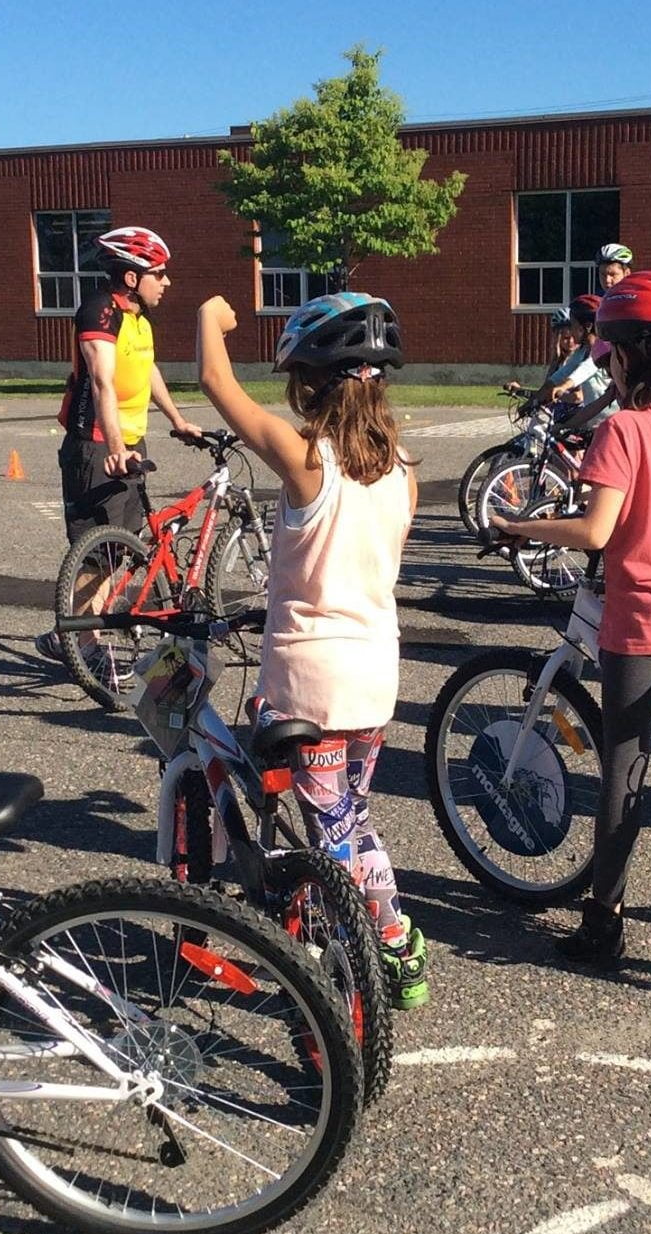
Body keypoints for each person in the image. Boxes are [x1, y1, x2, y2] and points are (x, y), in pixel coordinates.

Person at [193, 290, 430, 1008]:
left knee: (332, 833)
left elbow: (217, 383)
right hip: (375, 674)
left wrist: (210, 316)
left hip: (311, 678)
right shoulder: (405, 473)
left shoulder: (305, 459)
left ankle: (371, 956)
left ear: (310, 384)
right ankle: (392, 944)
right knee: (351, 815)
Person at [505, 270, 651, 961]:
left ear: (632, 356)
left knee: (623, 762)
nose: (605, 362)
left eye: (610, 351)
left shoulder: (623, 430)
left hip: (642, 614)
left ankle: (603, 919)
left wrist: (523, 527)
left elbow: (596, 531)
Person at [38, 225, 202, 659]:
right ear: (132, 277)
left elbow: (148, 370)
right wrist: (114, 449)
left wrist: (178, 420)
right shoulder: (100, 312)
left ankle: (72, 634)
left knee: (120, 546)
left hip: (130, 442)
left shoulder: (138, 319)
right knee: (97, 549)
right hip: (96, 447)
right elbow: (101, 382)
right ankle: (79, 640)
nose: (167, 282)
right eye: (159, 274)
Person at [507, 295, 610, 418]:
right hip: (592, 422)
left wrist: (564, 386)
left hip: (612, 421)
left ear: (587, 326)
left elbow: (586, 369)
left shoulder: (603, 349)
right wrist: (529, 403)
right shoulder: (581, 353)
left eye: (573, 325)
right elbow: (554, 380)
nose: (571, 331)